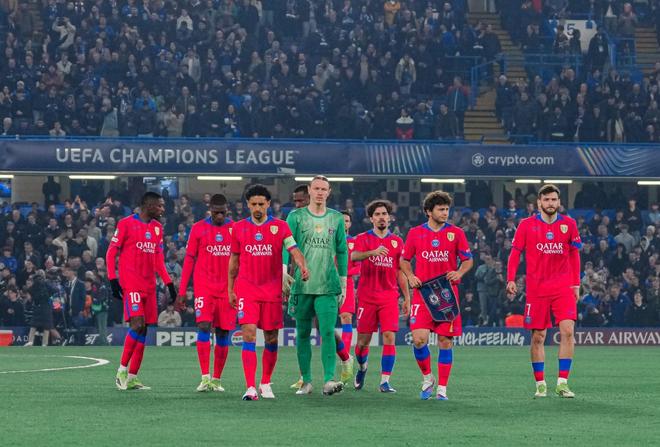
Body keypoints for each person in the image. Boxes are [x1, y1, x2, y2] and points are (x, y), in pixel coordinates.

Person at [228, 184, 309, 400]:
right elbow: (234, 261)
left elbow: (294, 249)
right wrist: (230, 289)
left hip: (272, 291)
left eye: (261, 204)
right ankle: (250, 387)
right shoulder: (238, 228)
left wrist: (302, 265)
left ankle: (265, 382)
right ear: (247, 204)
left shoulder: (280, 227)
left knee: (271, 338)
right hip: (247, 290)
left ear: (268, 204)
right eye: (253, 204)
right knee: (248, 334)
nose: (257, 208)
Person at [506, 184, 582, 398]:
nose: (550, 203)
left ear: (559, 202)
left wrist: (576, 284)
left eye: (554, 199)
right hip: (536, 289)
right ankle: (540, 384)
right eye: (546, 199)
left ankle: (562, 383)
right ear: (539, 202)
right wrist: (510, 279)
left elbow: (574, 255)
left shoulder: (569, 224)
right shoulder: (526, 225)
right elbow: (515, 253)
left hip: (563, 287)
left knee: (568, 331)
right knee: (538, 336)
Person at [400, 191, 474, 400]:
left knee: (445, 341)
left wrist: (459, 272)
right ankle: (427, 378)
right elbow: (404, 260)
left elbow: (468, 260)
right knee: (419, 340)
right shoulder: (415, 233)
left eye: (447, 209)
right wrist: (410, 276)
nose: (445, 213)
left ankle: (442, 388)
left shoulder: (456, 233)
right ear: (428, 211)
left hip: (447, 295)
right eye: (441, 209)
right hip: (423, 293)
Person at [107, 192, 177, 391]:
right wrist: (113, 280)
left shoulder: (157, 228)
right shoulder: (126, 224)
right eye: (160, 206)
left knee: (144, 329)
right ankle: (121, 370)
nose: (163, 209)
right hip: (132, 284)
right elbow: (111, 253)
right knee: (137, 324)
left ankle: (133, 377)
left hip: (149, 286)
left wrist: (169, 284)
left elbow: (158, 260)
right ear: (149, 205)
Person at [286, 175, 348, 396]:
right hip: (302, 285)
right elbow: (286, 245)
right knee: (302, 332)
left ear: (329, 192)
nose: (320, 192)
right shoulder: (296, 217)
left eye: (324, 189)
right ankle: (306, 381)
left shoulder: (336, 218)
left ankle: (329, 380)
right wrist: (284, 271)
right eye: (317, 188)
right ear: (310, 190)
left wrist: (344, 281)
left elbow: (342, 250)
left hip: (328, 285)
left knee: (328, 331)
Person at [178, 194, 235, 392]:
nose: (219, 216)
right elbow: (189, 259)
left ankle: (217, 380)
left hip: (227, 289)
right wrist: (182, 291)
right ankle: (205, 377)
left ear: (227, 210)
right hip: (204, 287)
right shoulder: (198, 228)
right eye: (216, 212)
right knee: (203, 326)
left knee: (223, 332)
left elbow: (241, 260)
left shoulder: (234, 229)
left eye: (223, 212)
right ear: (210, 210)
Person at [351, 200, 409, 393]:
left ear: (389, 218)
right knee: (362, 343)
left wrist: (407, 298)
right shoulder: (363, 238)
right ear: (371, 219)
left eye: (384, 214)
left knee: (389, 336)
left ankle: (385, 381)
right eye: (377, 214)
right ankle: (362, 368)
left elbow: (400, 272)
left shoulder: (397, 242)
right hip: (367, 296)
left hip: (389, 297)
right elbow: (353, 256)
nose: (381, 217)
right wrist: (373, 252)